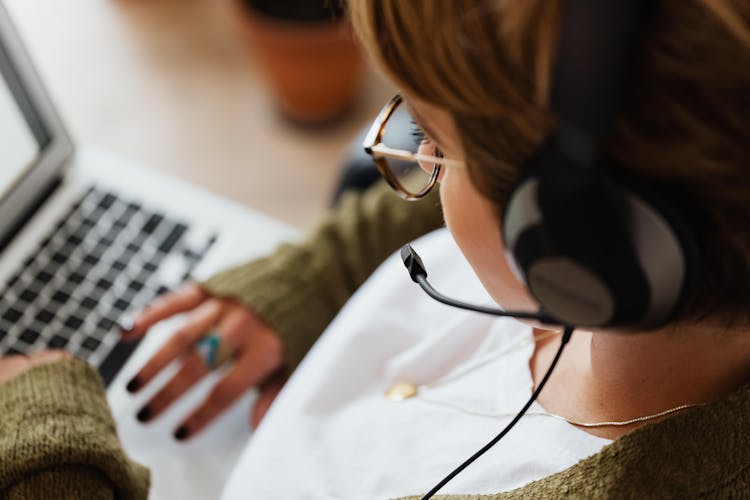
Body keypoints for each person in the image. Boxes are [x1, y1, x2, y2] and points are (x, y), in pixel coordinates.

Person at [3, 0, 750, 498]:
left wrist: (51, 462)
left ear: (577, 240)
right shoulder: (656, 250)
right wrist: (314, 278)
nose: (409, 159)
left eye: (428, 137)